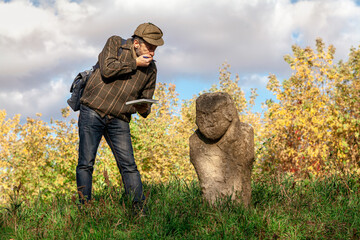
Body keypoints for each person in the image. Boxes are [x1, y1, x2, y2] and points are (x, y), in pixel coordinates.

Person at [76, 23, 164, 209]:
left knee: (129, 166)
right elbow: (107, 69)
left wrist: (142, 107)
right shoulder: (115, 43)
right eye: (149, 46)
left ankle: (138, 211)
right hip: (93, 110)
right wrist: (135, 64)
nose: (153, 52)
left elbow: (146, 103)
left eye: (155, 48)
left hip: (120, 118)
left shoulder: (151, 69)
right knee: (86, 163)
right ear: (136, 43)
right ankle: (84, 209)